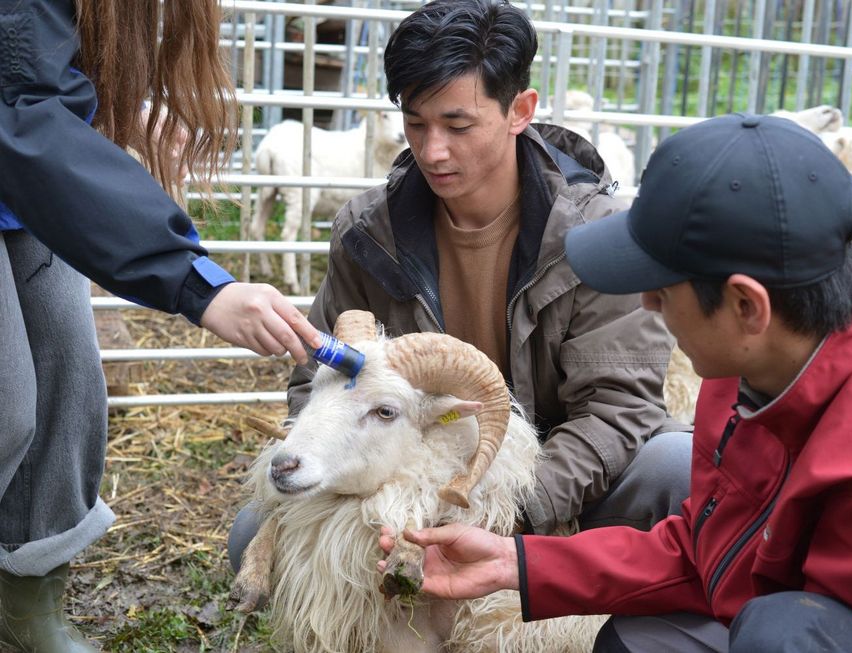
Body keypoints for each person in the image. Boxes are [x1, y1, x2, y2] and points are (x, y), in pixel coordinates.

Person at [377, 114, 852, 652]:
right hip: (814, 608)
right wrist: (519, 563)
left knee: (786, 633)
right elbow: (714, 556)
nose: (646, 301)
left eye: (663, 289)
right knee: (642, 640)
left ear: (747, 305)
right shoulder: (753, 375)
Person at [227, 0, 692, 567]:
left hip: (561, 485)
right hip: (419, 484)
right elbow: (318, 379)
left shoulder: (598, 237)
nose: (431, 151)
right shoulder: (369, 235)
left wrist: (507, 512)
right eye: (415, 123)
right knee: (251, 533)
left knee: (676, 465)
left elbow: (617, 410)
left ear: (520, 110)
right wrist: (406, 500)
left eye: (457, 124)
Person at [0, 1, 322, 650]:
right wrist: (196, 282)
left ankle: (23, 602)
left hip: (22, 183)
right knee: (7, 405)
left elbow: (41, 83)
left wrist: (110, 113)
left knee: (72, 383)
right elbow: (21, 102)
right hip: (20, 151)